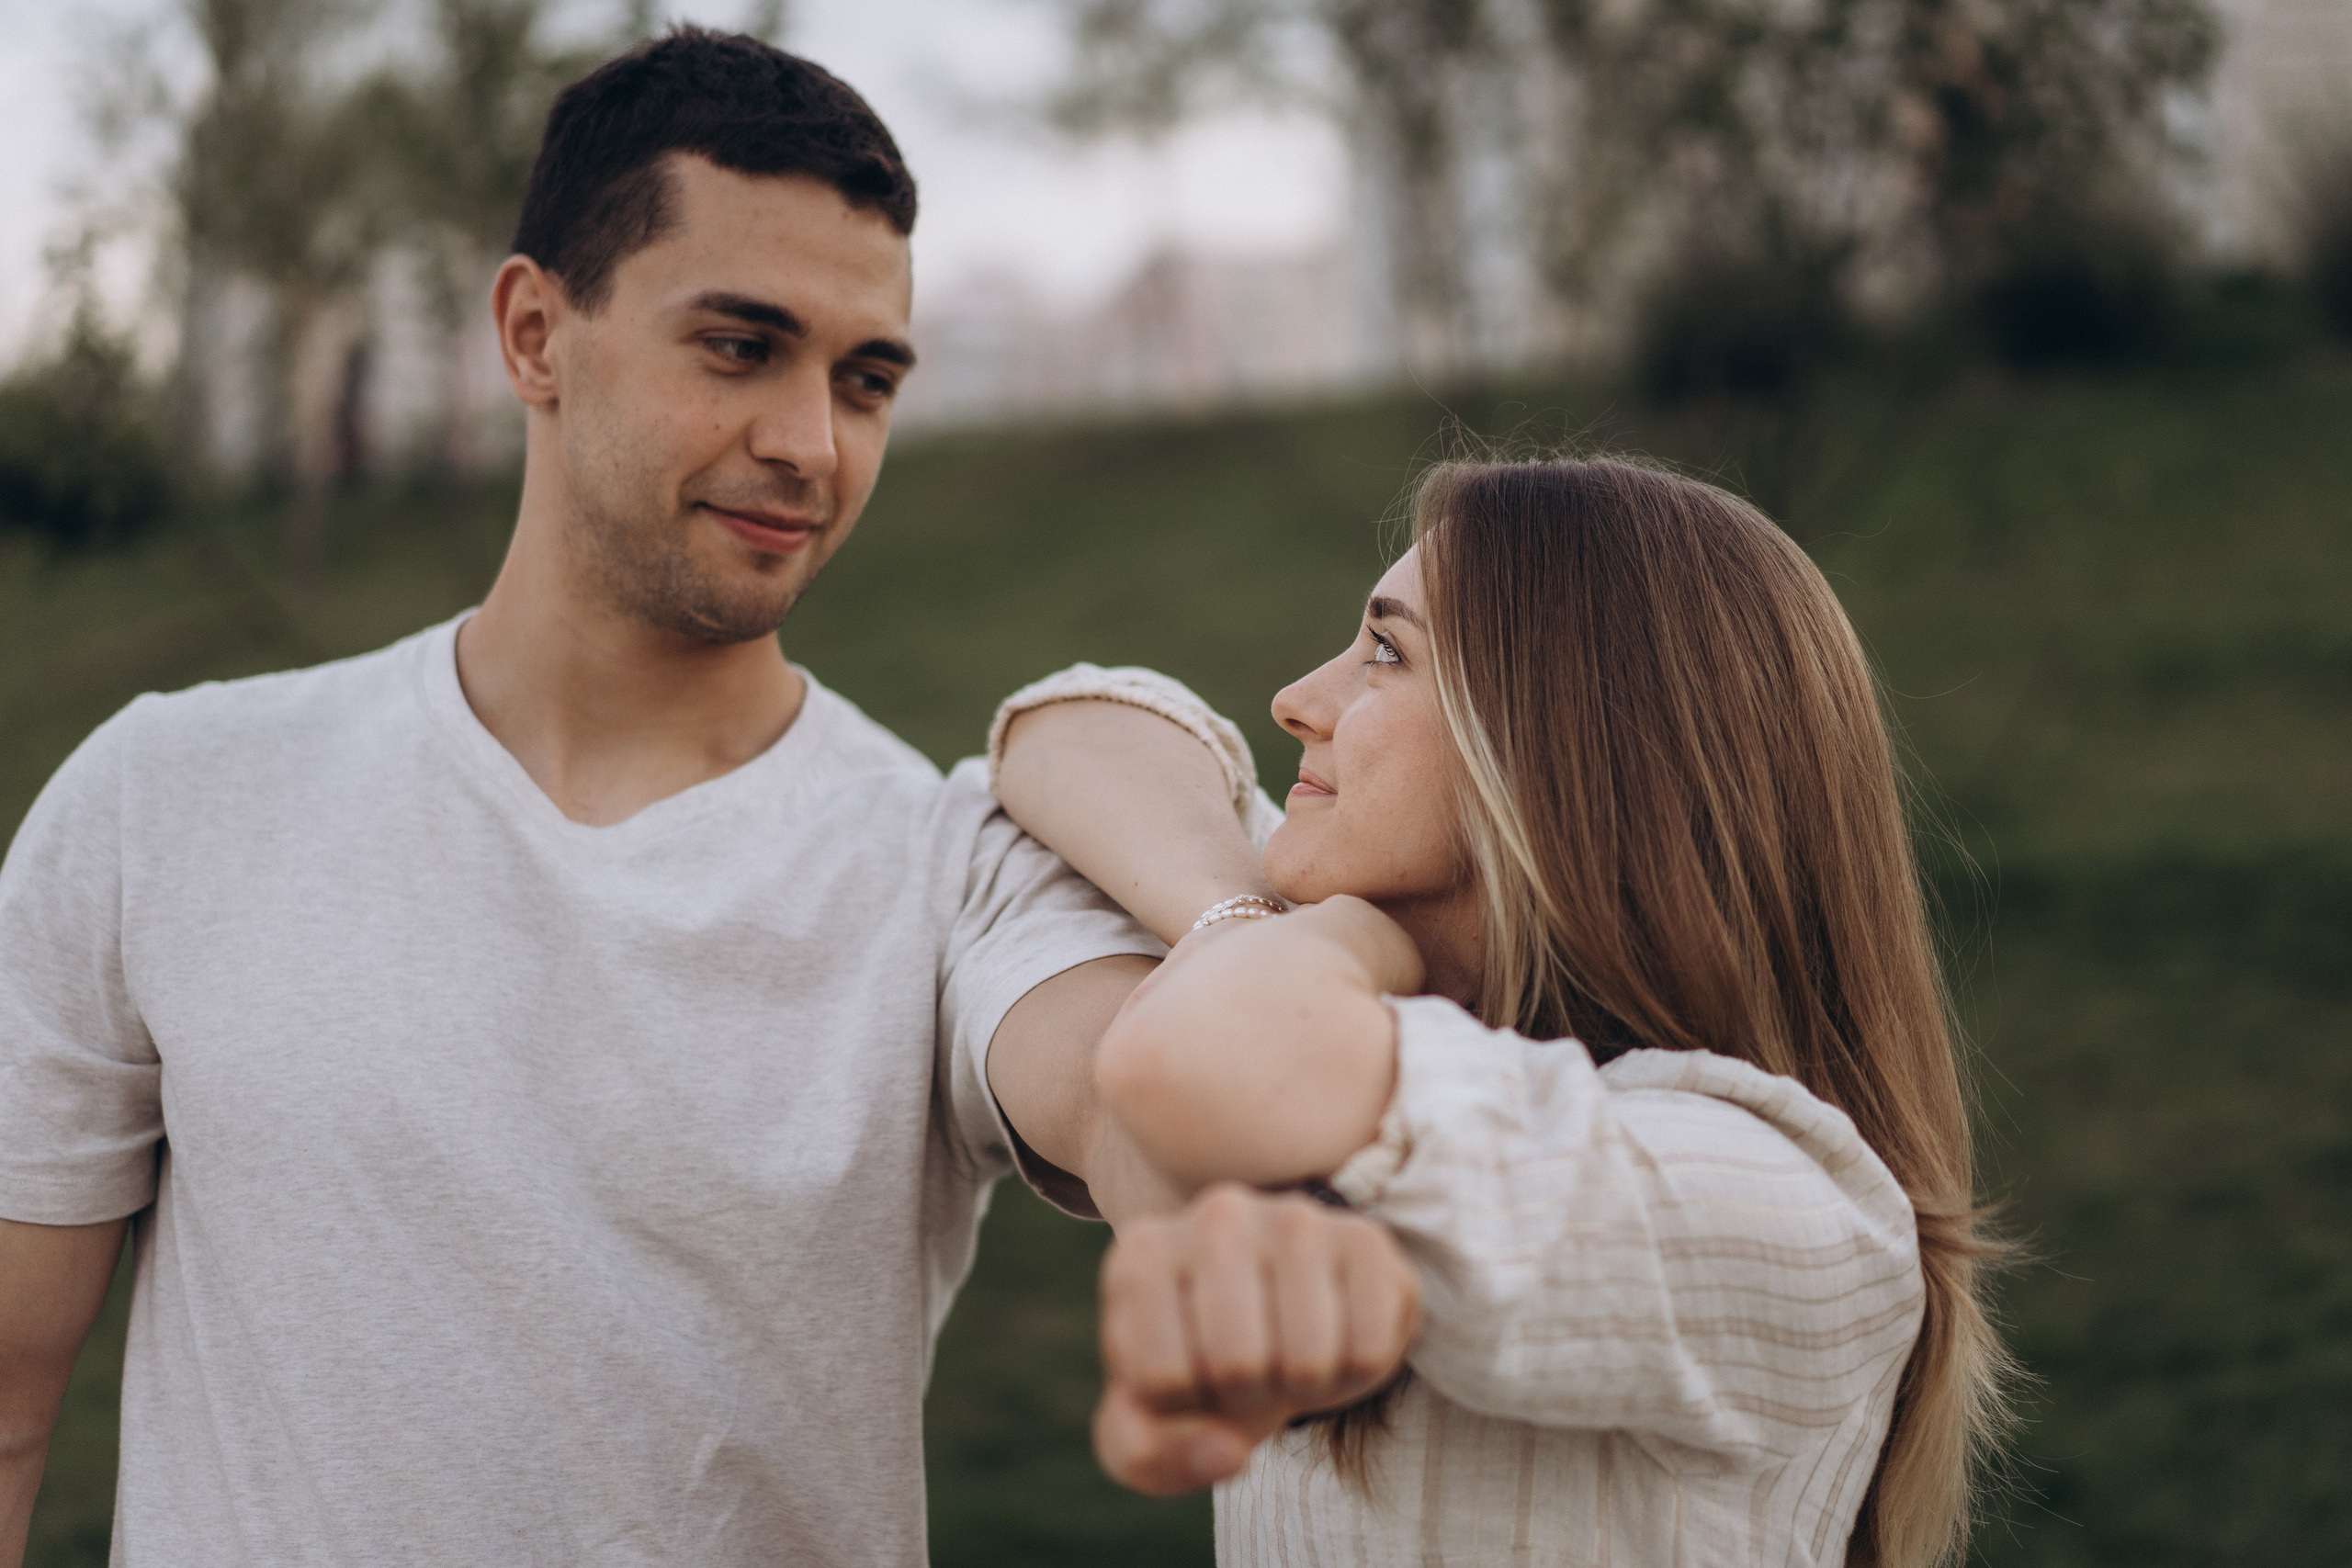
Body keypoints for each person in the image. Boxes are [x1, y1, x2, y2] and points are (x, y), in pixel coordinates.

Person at [0, 29, 1416, 1567]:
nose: (811, 444)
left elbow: (1141, 1095)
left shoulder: (950, 871)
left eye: (864, 379)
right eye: (740, 347)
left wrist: (1230, 1206)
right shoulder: (167, 796)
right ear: (536, 333)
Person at [989, 457, 2017, 1565]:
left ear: (1567, 750)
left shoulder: (1774, 1201)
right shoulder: (1328, 980)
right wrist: (1256, 920)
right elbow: (1067, 729)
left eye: (1385, 652)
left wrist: (1311, 943)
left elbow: (1191, 1057)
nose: (1299, 700)